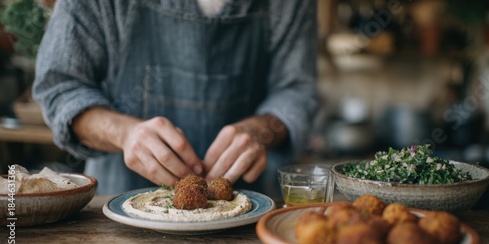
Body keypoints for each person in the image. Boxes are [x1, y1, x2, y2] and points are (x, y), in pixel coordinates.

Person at [33, 0, 318, 199]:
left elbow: (296, 90)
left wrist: (263, 129)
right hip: (117, 208)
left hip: (248, 213)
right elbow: (60, 86)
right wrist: (125, 133)